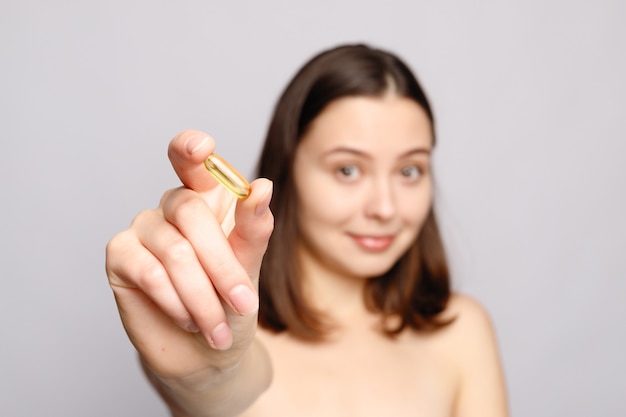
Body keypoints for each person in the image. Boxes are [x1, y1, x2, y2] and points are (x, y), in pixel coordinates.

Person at [105, 44, 508, 417]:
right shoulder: (215, 323)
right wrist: (213, 370)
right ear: (289, 170)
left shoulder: (462, 329)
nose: (385, 208)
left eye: (409, 170)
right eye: (347, 170)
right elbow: (226, 385)